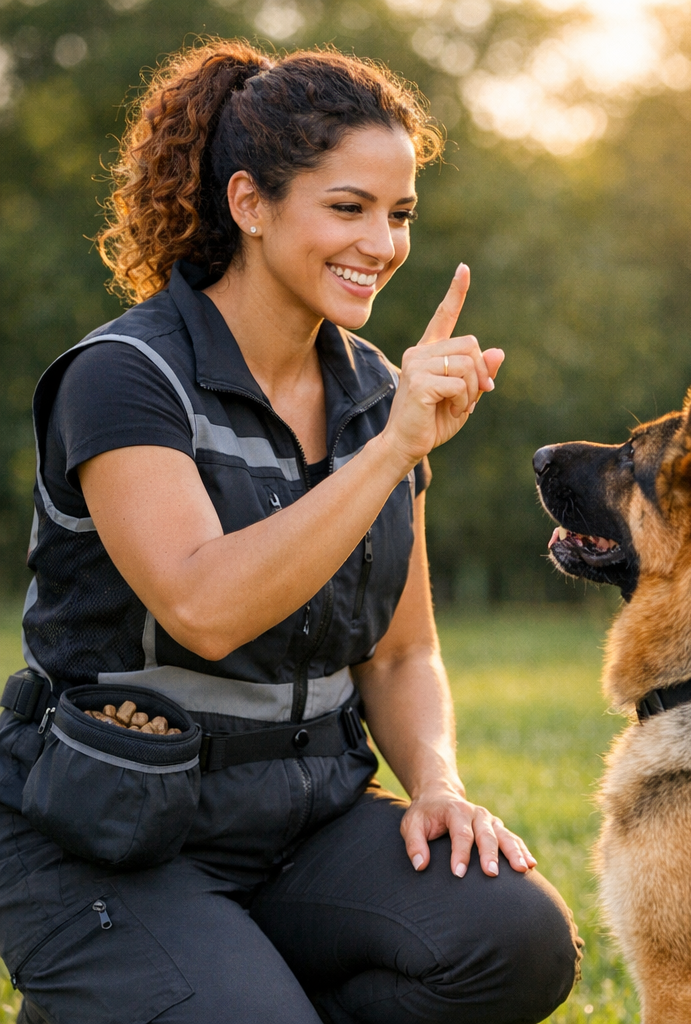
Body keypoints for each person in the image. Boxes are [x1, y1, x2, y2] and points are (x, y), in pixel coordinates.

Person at [0, 40, 582, 1024]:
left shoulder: (375, 400)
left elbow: (403, 652)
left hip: (298, 825)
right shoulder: (125, 376)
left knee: (514, 939)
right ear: (250, 204)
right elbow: (203, 601)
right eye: (347, 208)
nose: (382, 244)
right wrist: (390, 453)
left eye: (398, 214)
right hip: (106, 835)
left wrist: (437, 784)